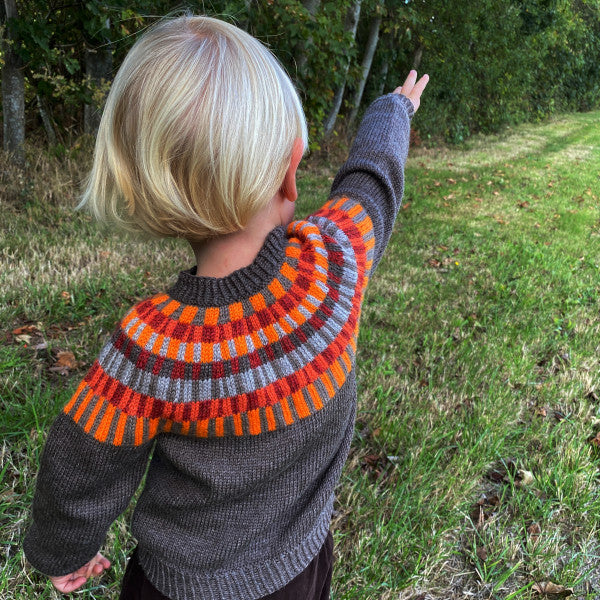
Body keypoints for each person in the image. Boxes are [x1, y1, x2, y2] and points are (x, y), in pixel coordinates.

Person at [23, 14, 428, 600]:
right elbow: (372, 184)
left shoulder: (149, 349)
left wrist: (61, 551)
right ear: (291, 175)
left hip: (174, 589)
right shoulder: (332, 264)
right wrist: (393, 113)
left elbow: (79, 466)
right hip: (297, 570)